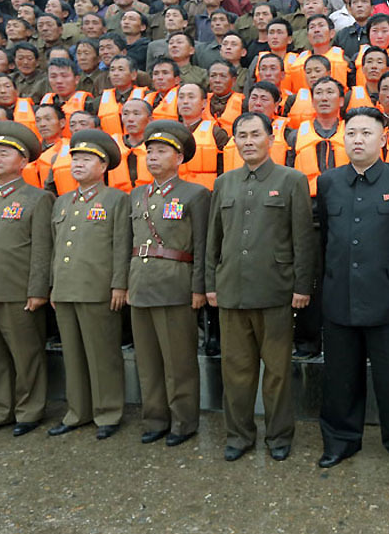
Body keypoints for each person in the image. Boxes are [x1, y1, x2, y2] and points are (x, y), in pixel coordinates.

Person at [317, 107, 389, 480]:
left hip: (387, 297)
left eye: (366, 133)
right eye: (351, 133)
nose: (358, 140)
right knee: (340, 378)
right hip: (339, 296)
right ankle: (340, 441)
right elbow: (325, 239)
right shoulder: (329, 181)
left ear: (383, 139)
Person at [206, 111, 316, 462]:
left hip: (276, 291)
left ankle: (279, 435)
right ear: (235, 141)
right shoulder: (224, 182)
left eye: (256, 134)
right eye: (242, 135)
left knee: (278, 372)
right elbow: (214, 240)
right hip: (232, 291)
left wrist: (302, 285)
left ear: (271, 139)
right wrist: (210, 283)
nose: (249, 141)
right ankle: (239, 435)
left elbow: (303, 237)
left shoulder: (291, 180)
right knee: (236, 371)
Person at [128, 120, 210, 447]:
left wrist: (199, 287)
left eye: (162, 151)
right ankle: (155, 418)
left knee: (179, 362)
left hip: (176, 284)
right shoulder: (135, 195)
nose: (153, 157)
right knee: (147, 362)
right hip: (141, 284)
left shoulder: (195, 194)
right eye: (149, 151)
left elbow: (203, 245)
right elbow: (126, 245)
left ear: (179, 158)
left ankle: (184, 421)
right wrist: (123, 285)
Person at [0, 121, 53, 438]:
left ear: (22, 161)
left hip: (16, 290)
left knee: (26, 353)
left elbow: (42, 249)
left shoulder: (37, 198)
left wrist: (37, 290)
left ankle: (30, 410)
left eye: (4, 153)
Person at [47, 130, 130, 441]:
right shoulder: (62, 202)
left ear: (104, 165)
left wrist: (119, 285)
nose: (78, 164)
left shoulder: (116, 199)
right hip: (66, 289)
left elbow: (121, 245)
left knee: (102, 354)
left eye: (86, 159)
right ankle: (77, 412)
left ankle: (108, 413)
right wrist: (53, 286)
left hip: (98, 290)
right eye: (75, 158)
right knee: (73, 354)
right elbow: (56, 248)